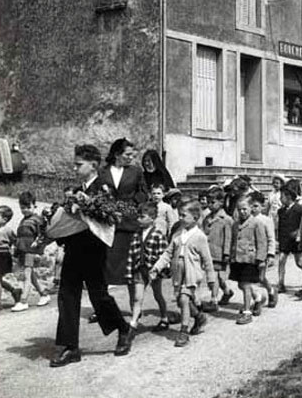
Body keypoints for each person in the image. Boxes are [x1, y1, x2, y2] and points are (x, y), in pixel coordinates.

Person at [51, 144, 134, 367]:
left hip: (94, 251)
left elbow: (108, 219)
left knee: (99, 297)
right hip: (73, 250)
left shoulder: (103, 188)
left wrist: (84, 205)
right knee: (67, 295)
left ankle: (124, 328)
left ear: (94, 165)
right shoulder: (77, 189)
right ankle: (70, 347)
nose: (75, 168)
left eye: (79, 165)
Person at [150, 200, 215, 346]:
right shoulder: (178, 235)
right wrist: (157, 267)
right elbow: (167, 253)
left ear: (195, 217)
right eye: (179, 215)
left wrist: (211, 278)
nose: (180, 218)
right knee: (180, 301)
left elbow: (207, 259)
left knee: (184, 299)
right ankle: (199, 317)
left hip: (192, 274)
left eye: (184, 215)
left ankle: (183, 332)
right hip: (178, 273)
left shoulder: (200, 237)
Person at [97, 138, 148, 286]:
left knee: (129, 268)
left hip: (128, 222)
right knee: (107, 265)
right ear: (117, 154)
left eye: (132, 155)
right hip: (108, 223)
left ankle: (135, 307)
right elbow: (96, 193)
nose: (131, 158)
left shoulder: (136, 171)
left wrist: (132, 204)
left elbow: (143, 193)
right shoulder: (102, 172)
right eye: (128, 155)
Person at [125, 202, 169, 335]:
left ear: (152, 218)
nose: (139, 219)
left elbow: (163, 255)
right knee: (137, 297)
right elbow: (131, 254)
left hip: (153, 270)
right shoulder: (136, 234)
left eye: (142, 217)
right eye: (138, 216)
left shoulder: (158, 234)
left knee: (157, 295)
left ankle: (164, 317)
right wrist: (128, 272)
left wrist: (158, 270)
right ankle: (133, 323)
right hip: (140, 270)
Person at [229, 197, 267, 324]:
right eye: (239, 210)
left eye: (245, 209)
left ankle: (246, 312)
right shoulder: (235, 224)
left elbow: (262, 242)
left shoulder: (256, 223)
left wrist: (261, 258)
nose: (242, 212)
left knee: (245, 284)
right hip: (237, 259)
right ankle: (258, 297)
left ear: (251, 208)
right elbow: (233, 241)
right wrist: (231, 255)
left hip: (250, 259)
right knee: (241, 284)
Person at [11, 191, 49, 312]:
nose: (25, 210)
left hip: (31, 251)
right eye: (22, 208)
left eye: (28, 207)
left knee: (27, 275)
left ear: (34, 206)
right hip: (23, 250)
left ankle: (23, 301)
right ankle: (44, 294)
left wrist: (38, 245)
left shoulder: (37, 220)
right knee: (31, 275)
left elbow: (44, 234)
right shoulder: (24, 220)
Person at [201, 187, 234, 312]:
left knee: (214, 277)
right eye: (208, 202)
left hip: (219, 253)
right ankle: (227, 291)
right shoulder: (206, 218)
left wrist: (226, 253)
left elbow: (228, 238)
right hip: (208, 252)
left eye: (212, 202)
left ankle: (213, 300)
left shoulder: (226, 219)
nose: (210, 205)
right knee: (217, 278)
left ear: (221, 202)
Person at [0, 206, 22, 311]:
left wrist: (16, 252)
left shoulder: (7, 230)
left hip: (2, 256)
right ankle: (14, 290)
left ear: (5, 219)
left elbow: (15, 241)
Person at [249, 191, 278, 308]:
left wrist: (271, 254)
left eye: (255, 206)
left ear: (262, 206)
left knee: (261, 278)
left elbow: (271, 238)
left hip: (262, 253)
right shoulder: (247, 219)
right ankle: (258, 299)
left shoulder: (266, 220)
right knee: (248, 278)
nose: (253, 209)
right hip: (249, 253)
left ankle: (271, 291)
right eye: (250, 206)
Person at [276, 185, 302, 293]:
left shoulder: (299, 209)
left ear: (288, 197)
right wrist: (278, 238)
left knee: (299, 262)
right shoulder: (281, 211)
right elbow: (280, 226)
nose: (280, 199)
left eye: (282, 196)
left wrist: (298, 234)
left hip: (295, 241)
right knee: (281, 260)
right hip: (284, 240)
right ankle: (281, 283)